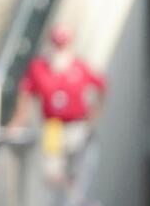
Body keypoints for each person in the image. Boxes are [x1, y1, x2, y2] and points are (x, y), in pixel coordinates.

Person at [6, 25, 107, 187]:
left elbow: (101, 85)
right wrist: (20, 119)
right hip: (53, 125)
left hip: (76, 124)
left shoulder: (79, 67)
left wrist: (95, 112)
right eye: (57, 44)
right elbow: (26, 93)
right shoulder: (39, 68)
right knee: (52, 173)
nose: (59, 50)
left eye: (63, 45)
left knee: (77, 167)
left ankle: (74, 195)